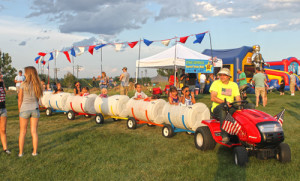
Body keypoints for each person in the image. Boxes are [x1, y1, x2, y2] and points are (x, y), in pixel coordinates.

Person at [210, 68, 254, 143]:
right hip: (218, 107)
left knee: (250, 106)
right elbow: (213, 98)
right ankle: (224, 135)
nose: (222, 77)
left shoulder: (233, 85)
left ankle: (250, 131)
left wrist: (240, 104)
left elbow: (237, 98)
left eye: (224, 75)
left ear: (228, 77)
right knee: (223, 108)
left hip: (230, 106)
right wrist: (224, 103)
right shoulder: (216, 83)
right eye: (220, 75)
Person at [18, 66, 43, 157]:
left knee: (22, 132)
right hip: (35, 109)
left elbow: (20, 99)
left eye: (25, 72)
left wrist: (19, 110)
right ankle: (35, 152)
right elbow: (37, 98)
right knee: (34, 132)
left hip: (24, 109)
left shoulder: (23, 85)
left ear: (28, 73)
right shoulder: (37, 84)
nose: (24, 74)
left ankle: (21, 153)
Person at [0, 73, 10, 154]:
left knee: (3, 129)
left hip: (3, 108)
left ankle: (5, 148)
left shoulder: (2, 83)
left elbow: (5, 94)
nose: (1, 76)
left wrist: (3, 84)